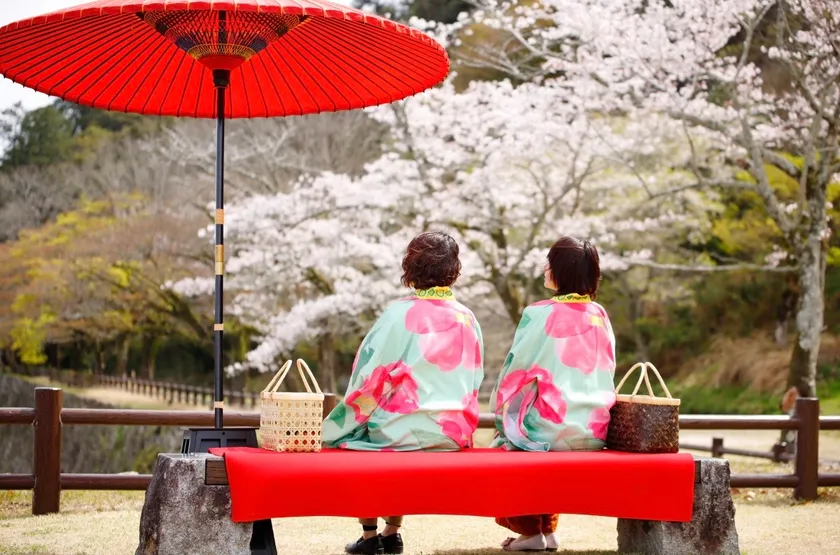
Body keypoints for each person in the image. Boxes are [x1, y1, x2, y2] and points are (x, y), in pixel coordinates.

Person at [322, 231, 485, 555]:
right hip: (451, 432)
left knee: (361, 432)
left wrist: (344, 420)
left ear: (411, 266)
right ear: (454, 269)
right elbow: (474, 379)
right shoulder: (466, 317)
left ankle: (370, 537)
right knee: (392, 423)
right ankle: (392, 532)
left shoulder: (399, 315)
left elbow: (371, 378)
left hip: (401, 431)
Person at [490, 236, 617, 552]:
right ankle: (547, 529)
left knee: (514, 438)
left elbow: (517, 369)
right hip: (593, 428)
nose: (545, 267)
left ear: (559, 271)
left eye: (550, 262)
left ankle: (530, 530)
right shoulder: (598, 313)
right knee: (535, 431)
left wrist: (502, 408)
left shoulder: (539, 313)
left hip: (551, 429)